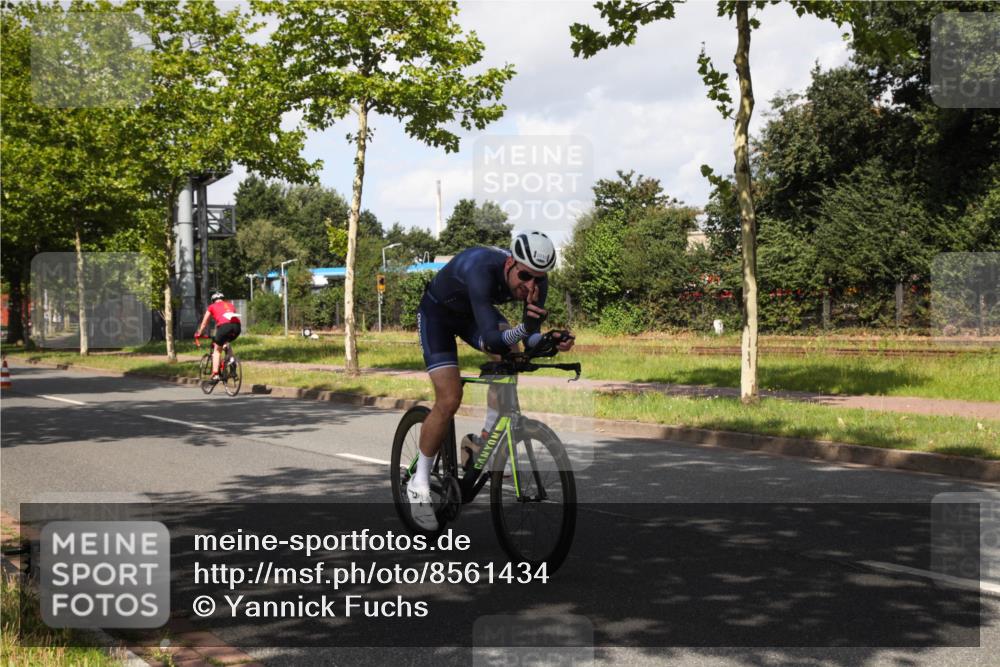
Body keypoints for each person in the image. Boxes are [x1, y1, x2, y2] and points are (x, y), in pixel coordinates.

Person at [409, 230, 575, 530]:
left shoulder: (537, 279)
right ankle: (419, 483)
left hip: (473, 313)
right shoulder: (480, 269)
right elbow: (491, 338)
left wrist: (550, 341)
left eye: (538, 279)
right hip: (438, 316)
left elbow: (528, 338)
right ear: (511, 263)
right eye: (525, 276)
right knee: (449, 398)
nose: (531, 286)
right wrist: (525, 330)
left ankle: (484, 440)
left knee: (511, 355)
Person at [195, 291, 242, 382]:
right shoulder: (230, 305)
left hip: (224, 327)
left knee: (217, 350)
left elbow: (205, 323)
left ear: (213, 300)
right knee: (226, 343)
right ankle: (232, 363)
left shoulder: (211, 306)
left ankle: (215, 374)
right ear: (222, 299)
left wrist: (200, 333)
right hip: (237, 327)